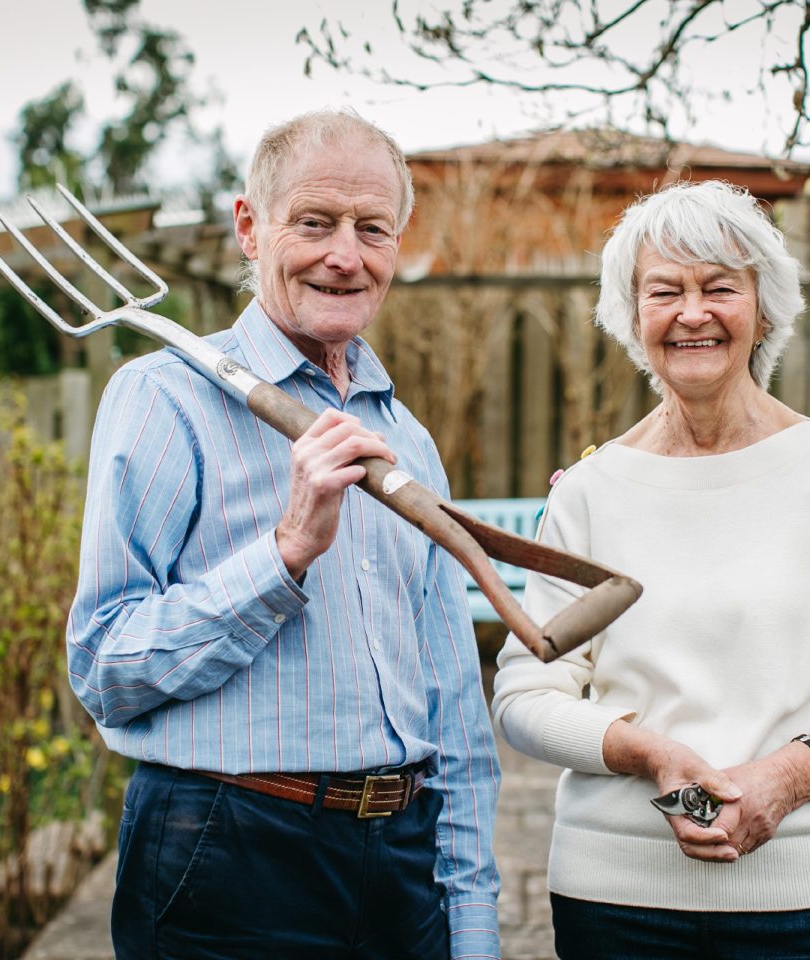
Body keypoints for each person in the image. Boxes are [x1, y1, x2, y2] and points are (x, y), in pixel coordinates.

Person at [66, 109, 501, 960]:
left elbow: (453, 707)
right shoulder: (164, 400)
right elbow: (106, 671)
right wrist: (285, 553)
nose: (346, 254)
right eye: (314, 222)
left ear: (396, 245)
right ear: (248, 226)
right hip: (228, 853)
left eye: (371, 228)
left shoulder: (407, 442)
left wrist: (474, 922)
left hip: (402, 866)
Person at [493, 179, 810, 959]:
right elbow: (526, 694)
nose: (692, 312)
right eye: (664, 291)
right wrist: (650, 755)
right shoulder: (592, 493)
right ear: (633, 318)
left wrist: (791, 775)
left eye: (719, 288)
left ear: (763, 307)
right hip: (615, 898)